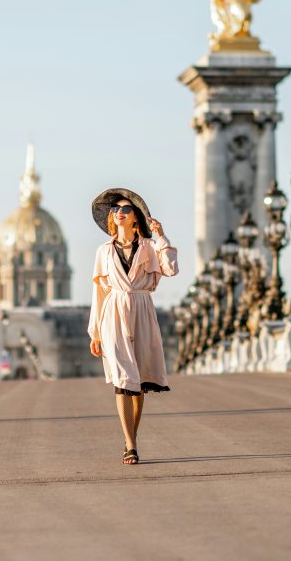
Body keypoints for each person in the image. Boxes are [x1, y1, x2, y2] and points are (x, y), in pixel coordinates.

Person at [87, 188, 178, 465]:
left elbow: (171, 269)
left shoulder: (150, 247)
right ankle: (130, 443)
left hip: (141, 309)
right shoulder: (103, 252)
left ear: (136, 218)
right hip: (114, 312)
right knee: (122, 379)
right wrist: (96, 331)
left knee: (137, 384)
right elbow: (99, 294)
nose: (118, 213)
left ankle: (132, 438)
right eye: (115, 210)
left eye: (125, 209)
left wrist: (161, 237)